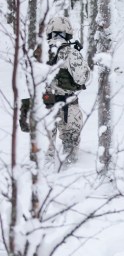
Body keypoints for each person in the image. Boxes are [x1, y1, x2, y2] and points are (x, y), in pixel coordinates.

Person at [42, 15, 91, 164]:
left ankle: (43, 173)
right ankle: (67, 174)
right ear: (68, 32)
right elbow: (82, 78)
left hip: (44, 105)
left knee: (43, 147)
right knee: (70, 145)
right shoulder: (70, 52)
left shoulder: (40, 51)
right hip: (67, 105)